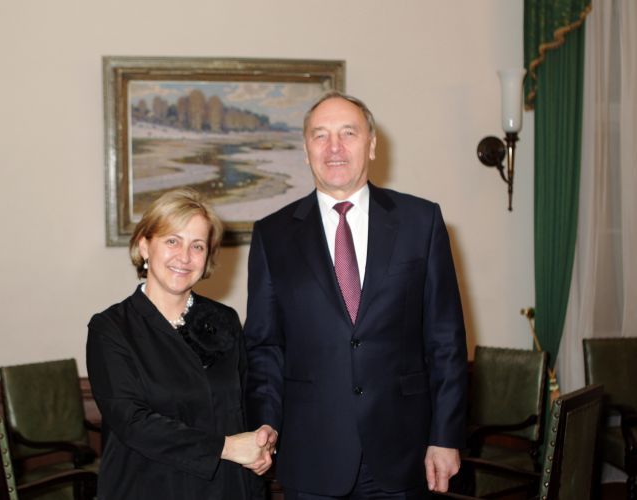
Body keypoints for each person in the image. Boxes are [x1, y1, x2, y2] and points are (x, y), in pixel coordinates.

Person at [245, 91, 468, 499]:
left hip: (405, 452)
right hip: (312, 455)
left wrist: (445, 436)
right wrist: (265, 423)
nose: (334, 147)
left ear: (372, 144)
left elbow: (445, 339)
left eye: (348, 133)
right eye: (320, 135)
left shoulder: (422, 222)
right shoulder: (271, 235)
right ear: (306, 149)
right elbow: (264, 346)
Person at [87, 188, 271, 499]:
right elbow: (133, 422)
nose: (184, 257)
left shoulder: (225, 319)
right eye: (172, 241)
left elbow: (244, 403)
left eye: (197, 246)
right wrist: (226, 447)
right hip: (148, 487)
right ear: (144, 246)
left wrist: (263, 437)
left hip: (226, 488)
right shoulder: (111, 328)